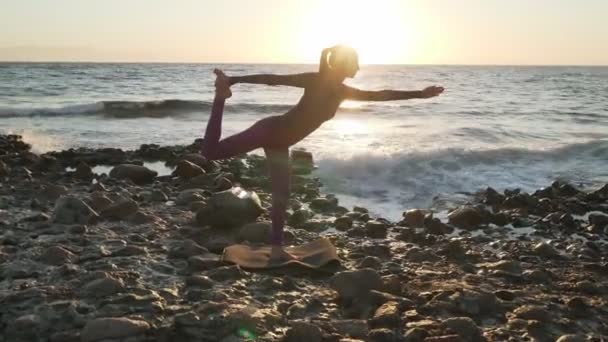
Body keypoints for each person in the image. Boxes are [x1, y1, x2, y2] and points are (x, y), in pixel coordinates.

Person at [202, 45, 444, 261]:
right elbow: (273, 79)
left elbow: (381, 95)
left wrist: (419, 94)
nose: (359, 67)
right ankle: (220, 97)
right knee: (210, 152)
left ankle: (277, 248)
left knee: (281, 194)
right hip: (269, 131)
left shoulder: (343, 91)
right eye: (355, 62)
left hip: (281, 143)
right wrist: (233, 80)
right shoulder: (315, 80)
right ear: (344, 63)